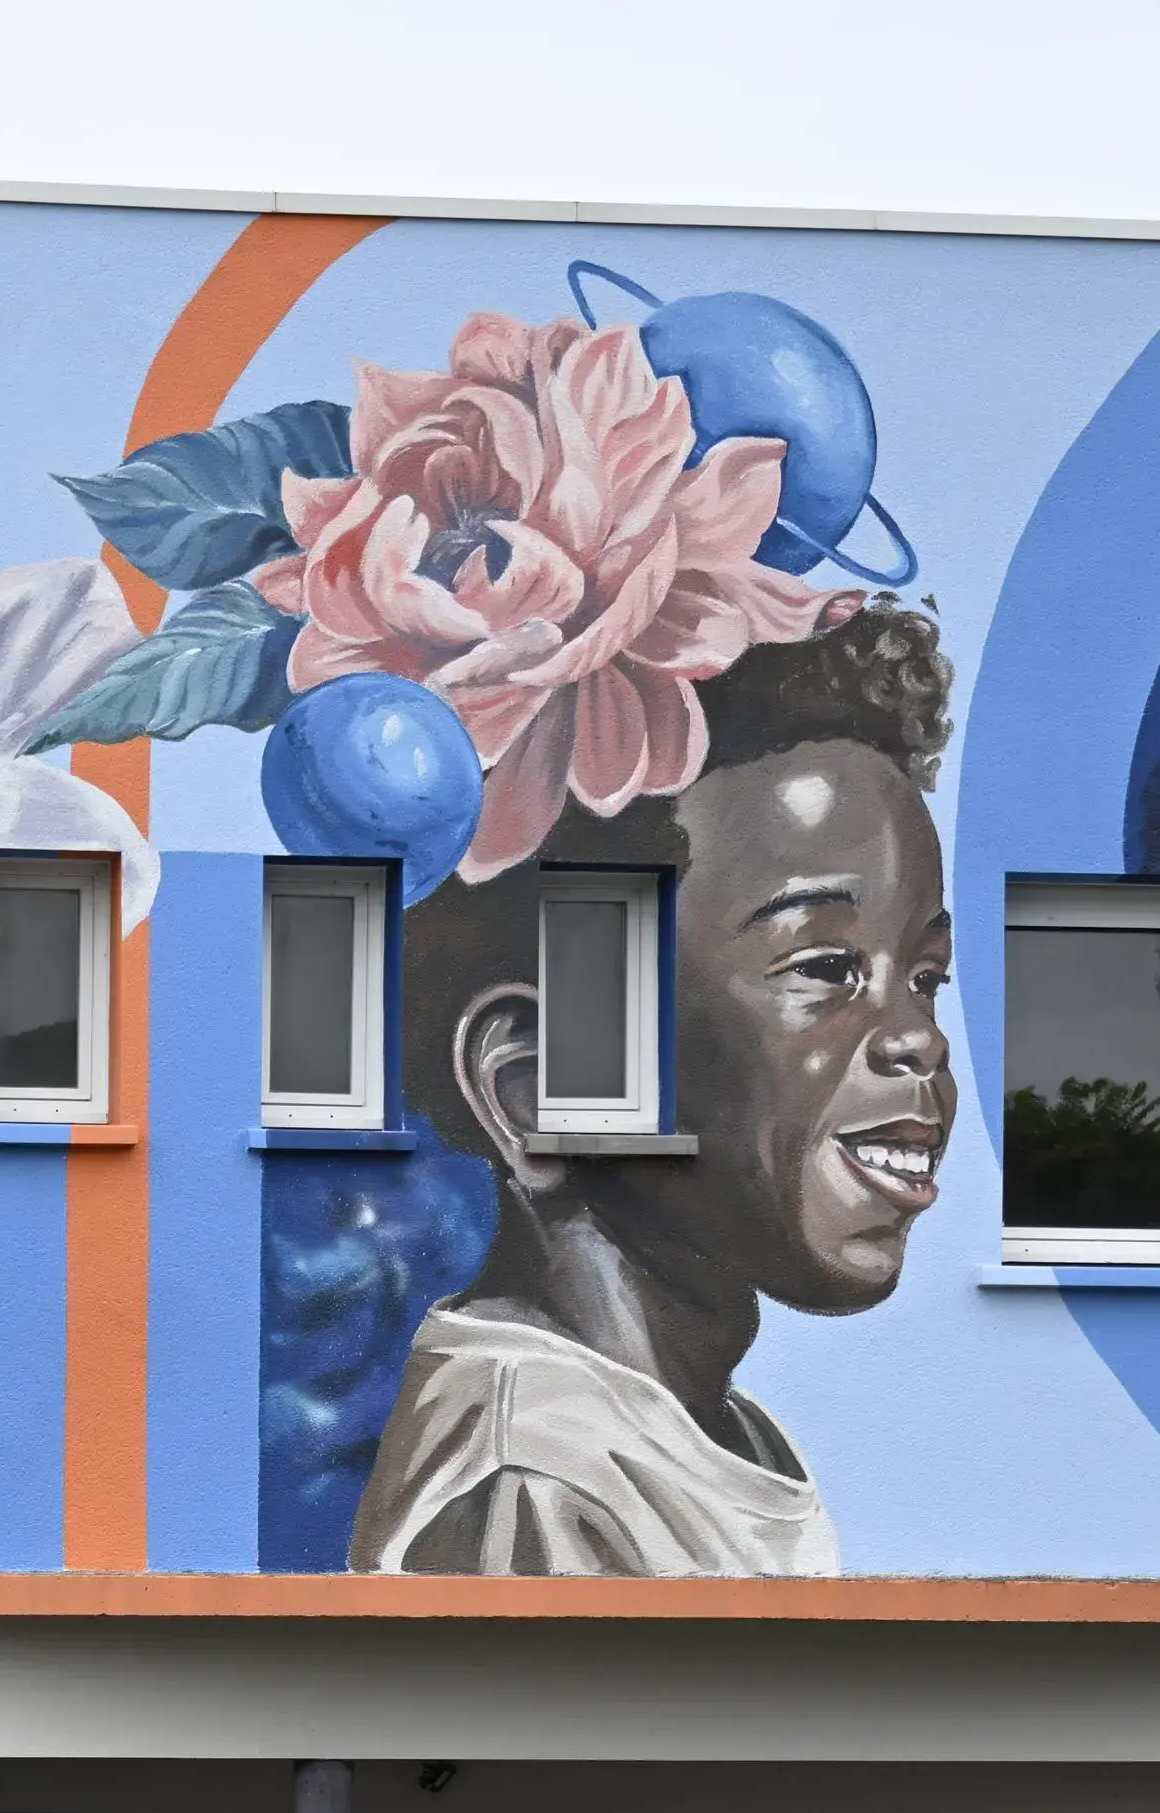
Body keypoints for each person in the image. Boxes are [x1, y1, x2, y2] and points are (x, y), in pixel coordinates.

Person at [347, 603, 963, 1575]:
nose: (915, 1039)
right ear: (534, 1086)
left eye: (924, 978)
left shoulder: (686, 1431)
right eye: (821, 968)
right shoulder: (539, 1485)